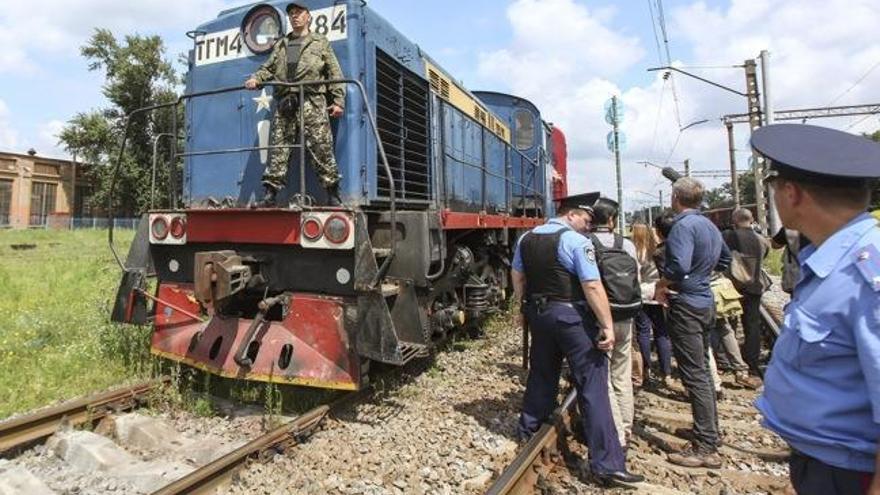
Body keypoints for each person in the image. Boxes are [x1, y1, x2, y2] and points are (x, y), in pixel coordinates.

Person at [752, 124, 880, 495]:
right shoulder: (832, 262)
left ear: (791, 193)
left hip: (848, 473)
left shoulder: (866, 275)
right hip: (825, 463)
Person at [512, 193, 644, 486]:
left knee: (542, 373)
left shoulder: (526, 238)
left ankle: (528, 430)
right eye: (586, 218)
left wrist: (522, 310)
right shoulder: (575, 242)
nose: (588, 225)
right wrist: (607, 325)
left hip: (538, 314)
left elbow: (517, 276)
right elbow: (593, 286)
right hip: (570, 317)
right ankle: (607, 464)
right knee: (593, 385)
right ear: (571, 214)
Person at [655, 177, 731, 469]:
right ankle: (709, 431)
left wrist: (663, 283)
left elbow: (678, 267)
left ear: (675, 197)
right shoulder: (710, 225)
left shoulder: (682, 227)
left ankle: (705, 446)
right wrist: (703, 277)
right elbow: (724, 259)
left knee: (695, 373)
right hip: (704, 301)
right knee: (701, 369)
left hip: (686, 305)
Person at [244, 2, 346, 206]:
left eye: (299, 13)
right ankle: (270, 195)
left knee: (321, 147)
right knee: (279, 149)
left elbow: (334, 73)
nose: (294, 16)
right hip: (285, 103)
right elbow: (268, 68)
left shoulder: (320, 42)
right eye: (291, 13)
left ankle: (332, 195)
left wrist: (338, 101)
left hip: (312, 101)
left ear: (308, 16)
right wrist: (256, 78)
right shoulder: (282, 44)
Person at [589, 197, 639, 447]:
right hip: (625, 313)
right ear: (612, 220)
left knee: (603, 374)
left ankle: (616, 433)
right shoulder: (627, 245)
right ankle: (627, 428)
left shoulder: (587, 243)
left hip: (599, 317)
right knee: (622, 372)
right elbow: (635, 279)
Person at [723, 208, 770, 377]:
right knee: (752, 324)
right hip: (755, 286)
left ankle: (731, 359)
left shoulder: (728, 237)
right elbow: (764, 256)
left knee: (729, 324)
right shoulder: (761, 240)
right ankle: (751, 360)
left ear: (734, 220)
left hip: (733, 287)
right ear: (751, 220)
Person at [632, 221, 673, 388]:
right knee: (662, 332)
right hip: (658, 292)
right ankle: (667, 372)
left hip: (641, 294)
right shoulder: (657, 250)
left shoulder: (633, 250)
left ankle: (646, 370)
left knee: (643, 331)